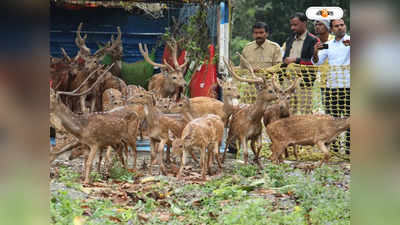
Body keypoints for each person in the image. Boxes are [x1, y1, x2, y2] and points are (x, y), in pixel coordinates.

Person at [312, 18, 350, 154]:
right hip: (331, 86)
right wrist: (315, 51)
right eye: (336, 26)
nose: (340, 28)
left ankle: (349, 149)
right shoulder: (328, 44)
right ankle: (333, 149)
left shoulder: (351, 41)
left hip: (349, 85)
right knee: (332, 119)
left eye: (342, 25)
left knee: (350, 119)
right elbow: (317, 62)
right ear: (332, 29)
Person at [282, 12, 320, 114]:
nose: (292, 28)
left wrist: (296, 60)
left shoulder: (313, 40)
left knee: (305, 111)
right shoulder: (289, 39)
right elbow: (285, 59)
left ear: (304, 23)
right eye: (291, 25)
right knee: (288, 111)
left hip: (304, 82)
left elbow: (314, 62)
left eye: (295, 25)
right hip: (288, 82)